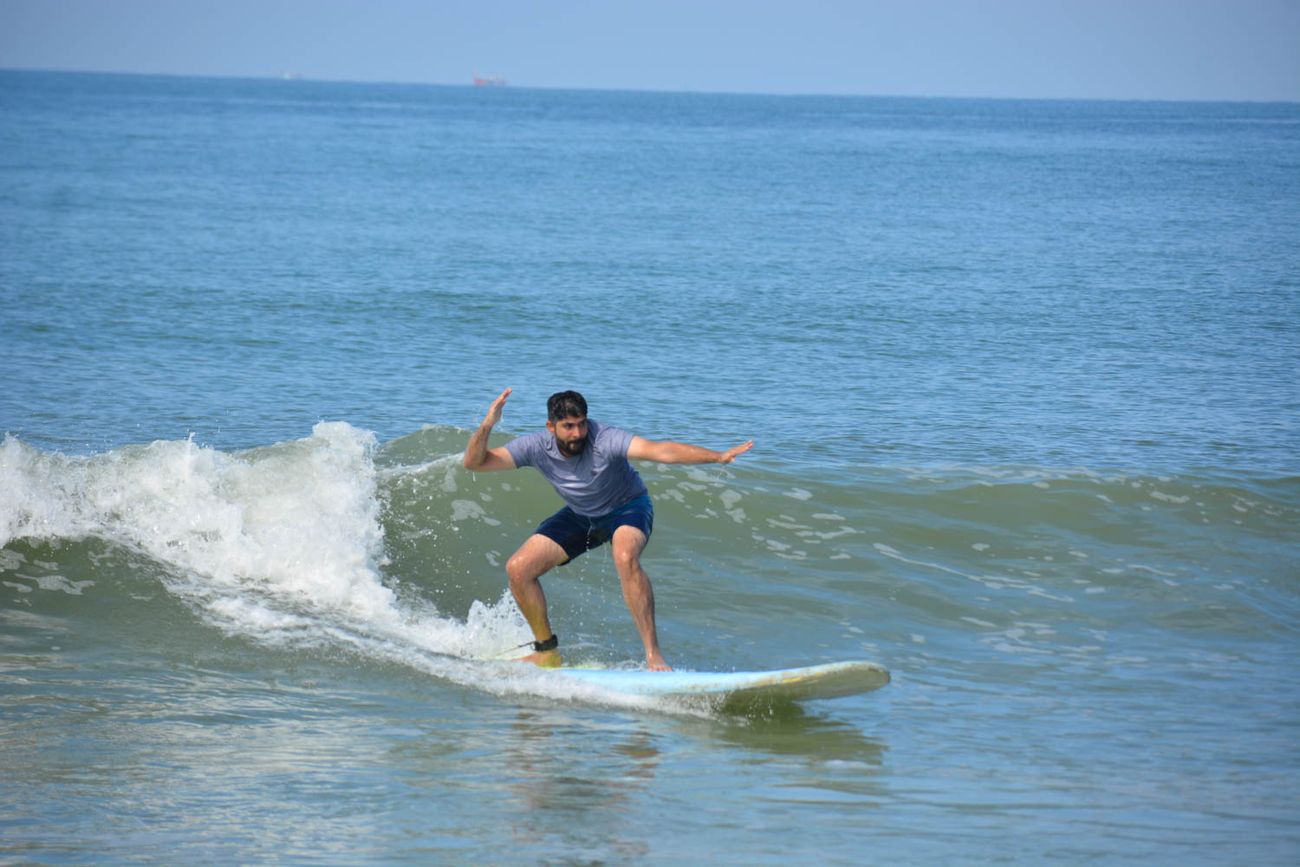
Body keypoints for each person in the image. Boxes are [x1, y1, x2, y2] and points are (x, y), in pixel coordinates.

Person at [463, 388, 753, 671]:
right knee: (518, 569)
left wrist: (718, 457)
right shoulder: (535, 446)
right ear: (550, 427)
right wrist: (488, 424)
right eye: (568, 427)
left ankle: (654, 657)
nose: (577, 433)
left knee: (625, 556)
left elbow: (660, 450)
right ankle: (547, 653)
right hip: (581, 514)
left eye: (581, 424)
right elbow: (475, 463)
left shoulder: (606, 438)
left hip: (627, 507)